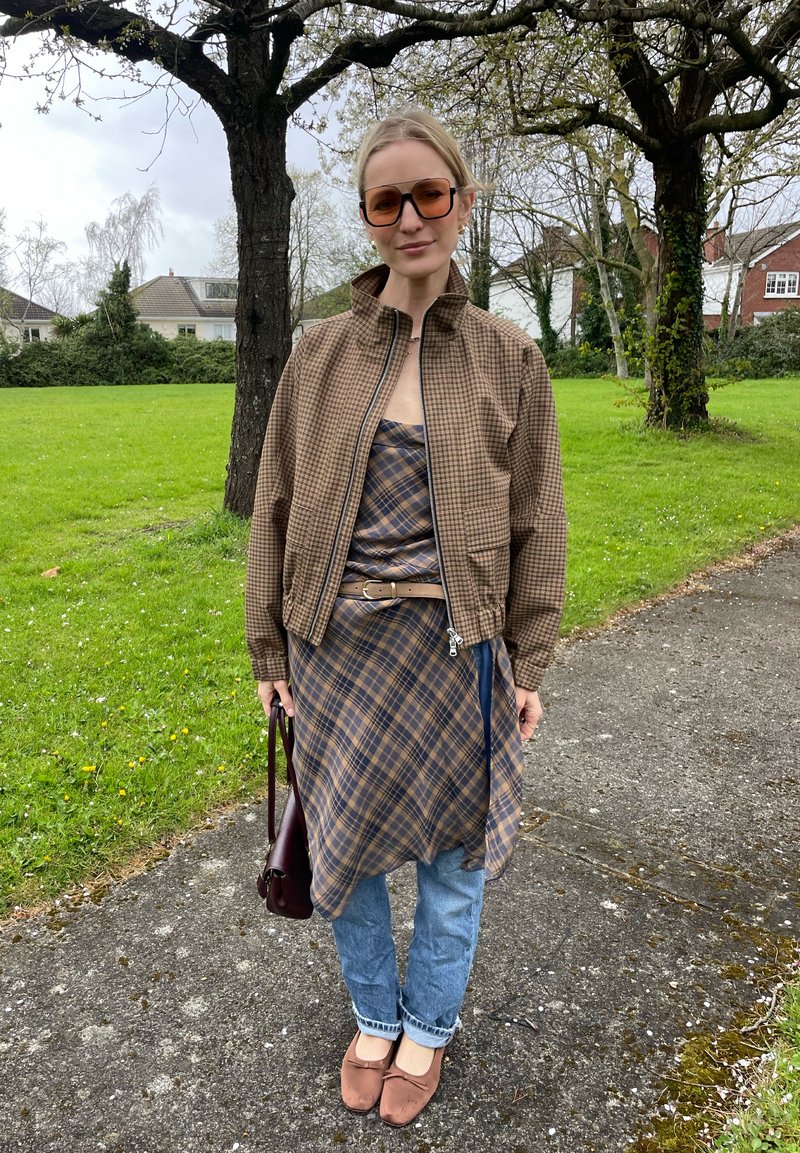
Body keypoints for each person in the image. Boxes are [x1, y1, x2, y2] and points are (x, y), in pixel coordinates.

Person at [246, 108, 566, 1128]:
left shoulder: (508, 356)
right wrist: (268, 645)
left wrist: (528, 660)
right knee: (339, 848)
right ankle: (371, 1016)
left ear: (460, 205)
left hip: (456, 648)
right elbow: (276, 501)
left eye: (429, 194)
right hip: (334, 648)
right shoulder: (319, 354)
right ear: (367, 217)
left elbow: (536, 518)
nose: (410, 216)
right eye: (388, 200)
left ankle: (426, 1028)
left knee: (450, 861)